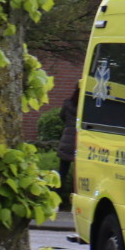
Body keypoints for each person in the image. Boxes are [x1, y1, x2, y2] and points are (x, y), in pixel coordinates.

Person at [58, 82, 79, 211]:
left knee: (62, 174)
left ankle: (57, 203)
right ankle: (74, 205)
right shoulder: (85, 106)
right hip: (79, 144)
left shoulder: (68, 104)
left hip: (66, 142)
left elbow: (62, 117)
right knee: (77, 177)